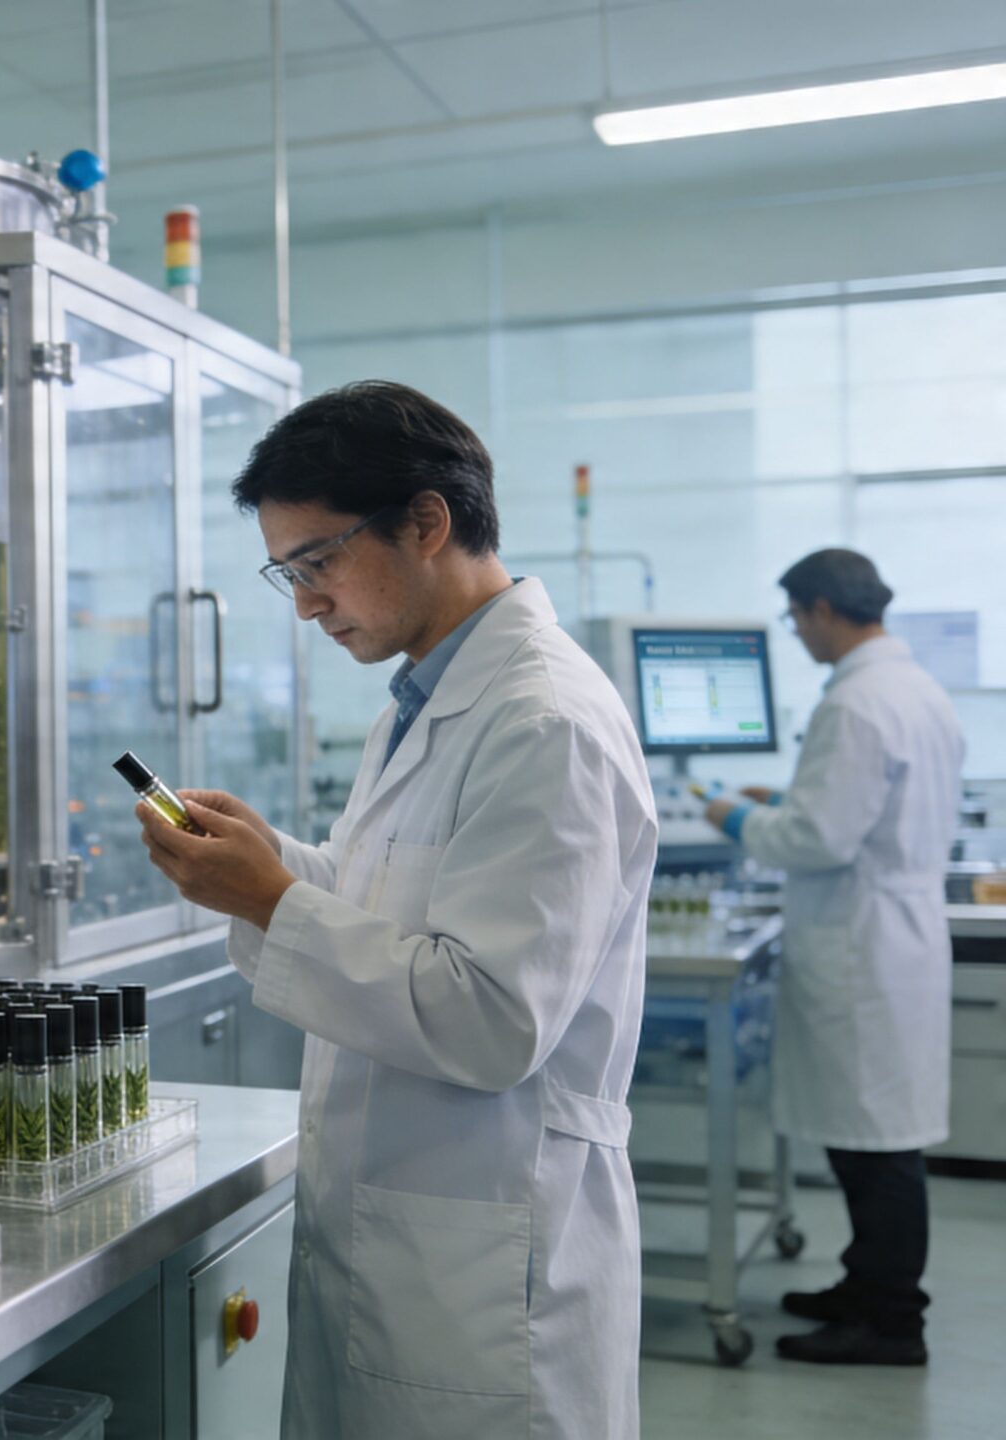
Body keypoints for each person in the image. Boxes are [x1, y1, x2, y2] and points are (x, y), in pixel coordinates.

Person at [137, 381, 654, 1439]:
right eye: (286, 573)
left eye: (317, 564)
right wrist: (269, 866)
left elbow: (492, 1015)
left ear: (426, 522)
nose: (306, 604)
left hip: (490, 1255)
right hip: (411, 1236)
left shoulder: (538, 719)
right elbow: (400, 913)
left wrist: (275, 905)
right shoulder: (425, 698)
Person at [702, 548, 963, 1366]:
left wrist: (728, 817)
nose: (799, 634)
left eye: (795, 619)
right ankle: (865, 1286)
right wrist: (777, 798)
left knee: (878, 1146)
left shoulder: (855, 704)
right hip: (892, 934)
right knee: (872, 1139)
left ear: (820, 610)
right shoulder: (913, 690)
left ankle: (891, 1323)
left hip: (864, 947)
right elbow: (865, 808)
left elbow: (819, 837)